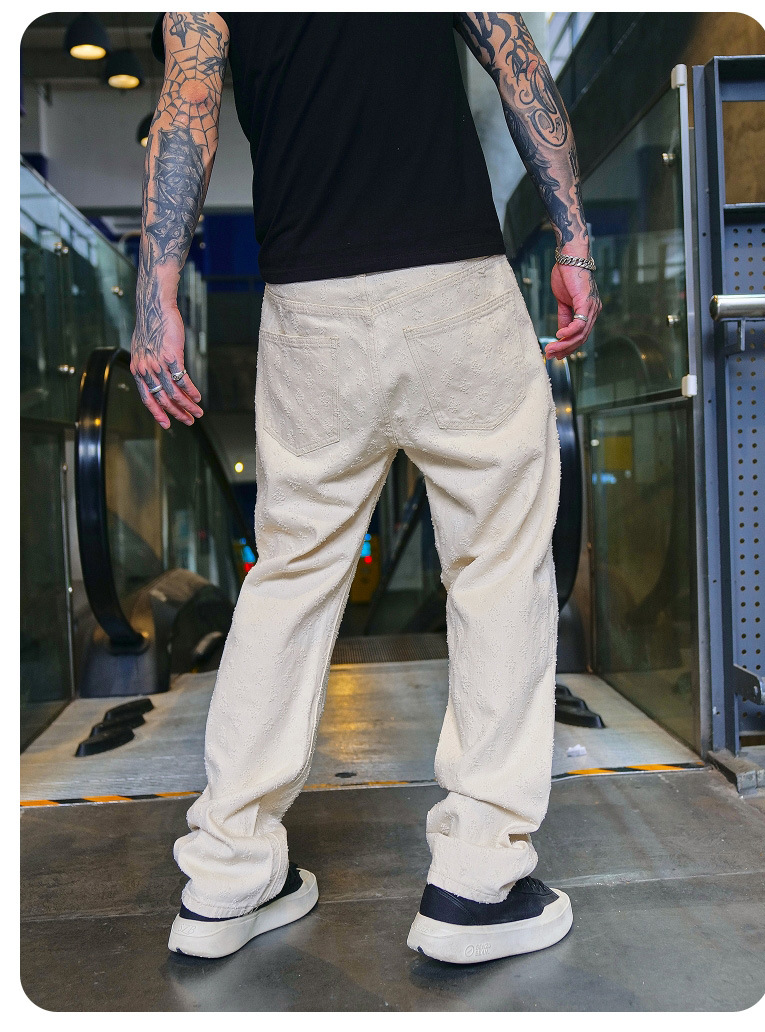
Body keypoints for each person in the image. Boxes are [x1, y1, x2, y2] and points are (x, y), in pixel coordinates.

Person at [134, 12, 601, 964]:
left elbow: (189, 105)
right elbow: (514, 57)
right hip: (456, 285)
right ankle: (477, 880)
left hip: (309, 303)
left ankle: (226, 875)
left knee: (291, 578)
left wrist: (158, 298)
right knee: (499, 566)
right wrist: (574, 240)